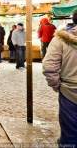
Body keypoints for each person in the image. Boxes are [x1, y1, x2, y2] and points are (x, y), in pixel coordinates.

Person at [42, 11, 77, 146]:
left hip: (69, 92)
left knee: (70, 135)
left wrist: (57, 86)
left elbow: (49, 66)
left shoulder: (61, 38)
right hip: (68, 90)